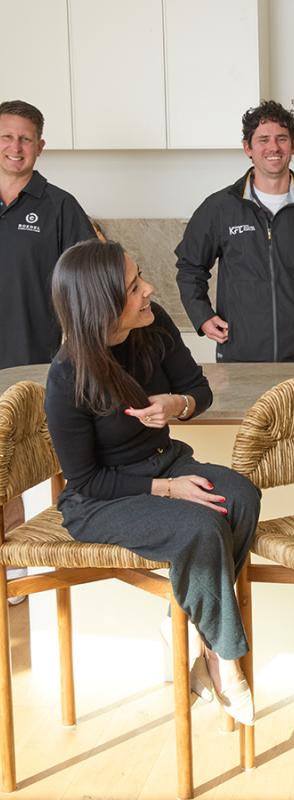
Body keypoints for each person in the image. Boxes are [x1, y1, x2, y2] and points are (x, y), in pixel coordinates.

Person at [45, 239, 261, 725]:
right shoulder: (67, 377)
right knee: (200, 527)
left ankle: (180, 620)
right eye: (134, 286)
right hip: (102, 499)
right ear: (101, 305)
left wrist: (176, 405)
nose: (149, 290)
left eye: (140, 277)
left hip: (166, 462)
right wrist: (169, 489)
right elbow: (87, 480)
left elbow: (197, 389)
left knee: (241, 497)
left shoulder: (153, 323)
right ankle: (223, 659)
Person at [176, 99, 294, 363]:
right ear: (247, 148)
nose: (273, 147)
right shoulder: (219, 207)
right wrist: (202, 316)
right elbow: (189, 267)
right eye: (263, 139)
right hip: (240, 355)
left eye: (282, 138)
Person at [0, 99, 96, 602]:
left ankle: (16, 564)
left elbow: (87, 278)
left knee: (14, 461)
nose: (16, 147)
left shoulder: (58, 206)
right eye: (7, 137)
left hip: (30, 358)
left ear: (40, 146)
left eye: (25, 139)